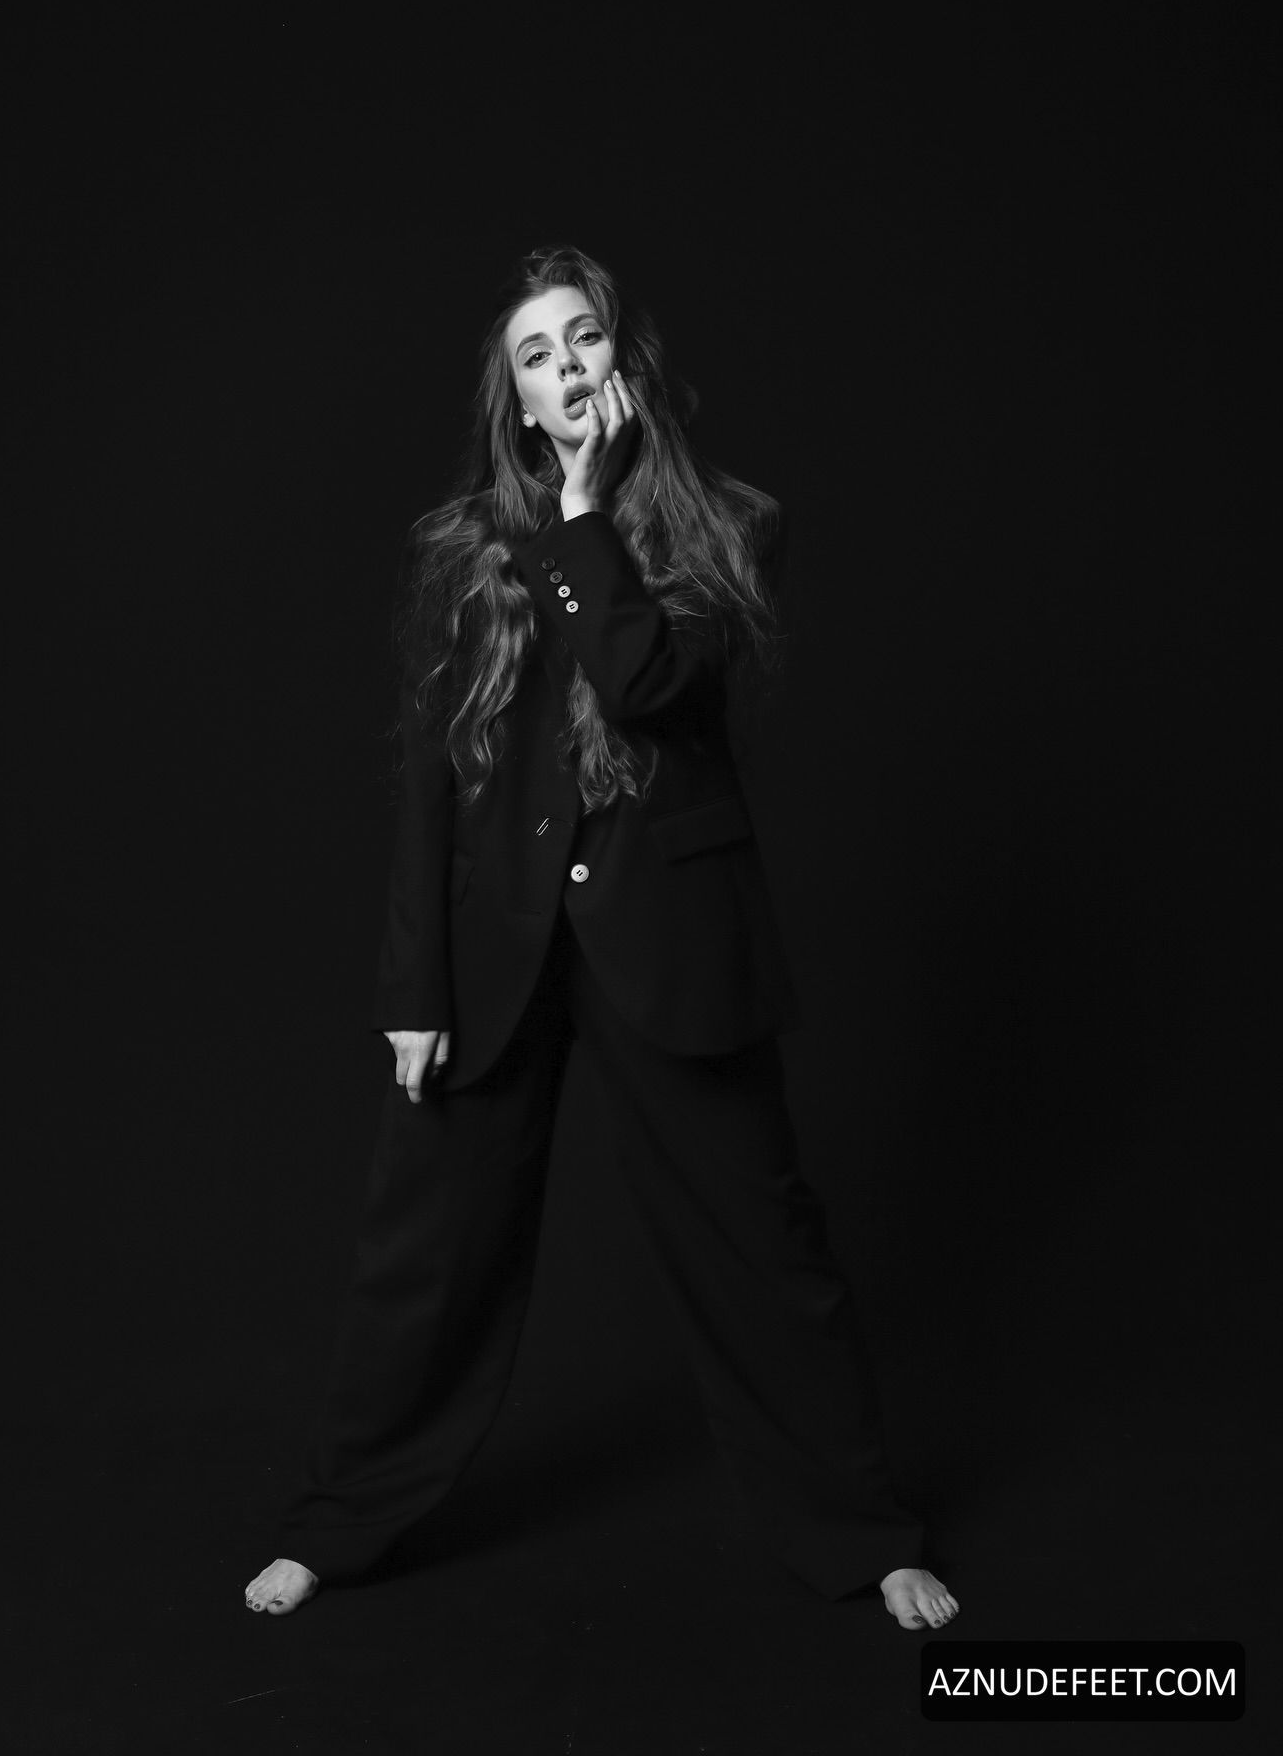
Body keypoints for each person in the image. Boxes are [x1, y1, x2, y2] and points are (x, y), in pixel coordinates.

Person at [245, 245, 959, 1632]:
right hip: (494, 944)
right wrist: (413, 985)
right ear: (512, 399)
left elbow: (643, 684)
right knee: (423, 1259)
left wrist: (584, 513)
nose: (564, 368)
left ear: (625, 359)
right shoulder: (457, 550)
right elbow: (432, 781)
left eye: (582, 340)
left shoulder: (733, 526)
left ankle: (864, 1533)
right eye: (536, 356)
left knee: (763, 1248)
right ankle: (340, 1522)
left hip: (671, 935)